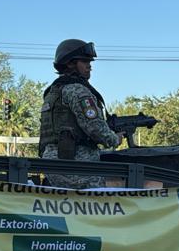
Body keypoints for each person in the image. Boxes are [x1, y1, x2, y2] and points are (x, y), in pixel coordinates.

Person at [38, 39, 123, 189]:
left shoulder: (52, 92)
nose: (89, 66)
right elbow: (95, 127)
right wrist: (115, 139)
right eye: (84, 61)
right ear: (70, 63)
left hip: (52, 164)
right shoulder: (78, 90)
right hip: (78, 166)